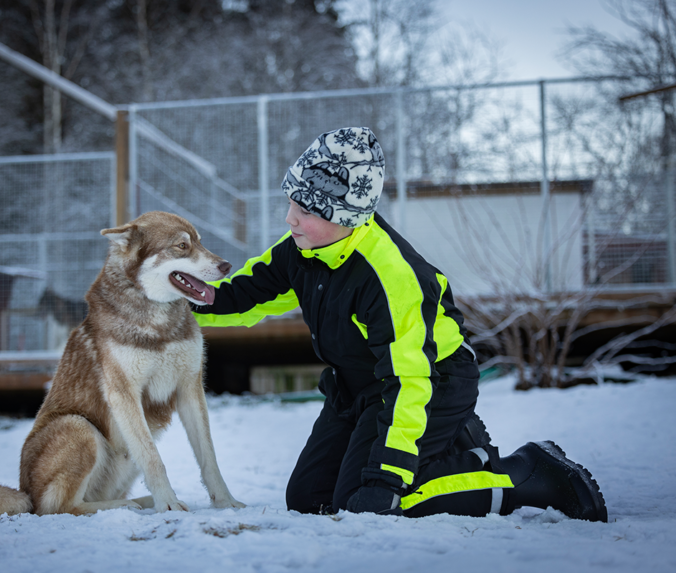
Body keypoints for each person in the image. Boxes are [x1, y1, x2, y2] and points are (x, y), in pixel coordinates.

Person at [192, 127, 607, 521]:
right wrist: (181, 301)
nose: (289, 219)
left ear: (344, 214)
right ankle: (448, 441)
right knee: (309, 501)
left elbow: (410, 381)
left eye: (303, 210)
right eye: (291, 204)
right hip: (360, 387)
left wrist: (387, 476)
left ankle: (524, 474)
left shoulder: (391, 279)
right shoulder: (303, 249)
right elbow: (245, 294)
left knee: (376, 501)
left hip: (431, 384)